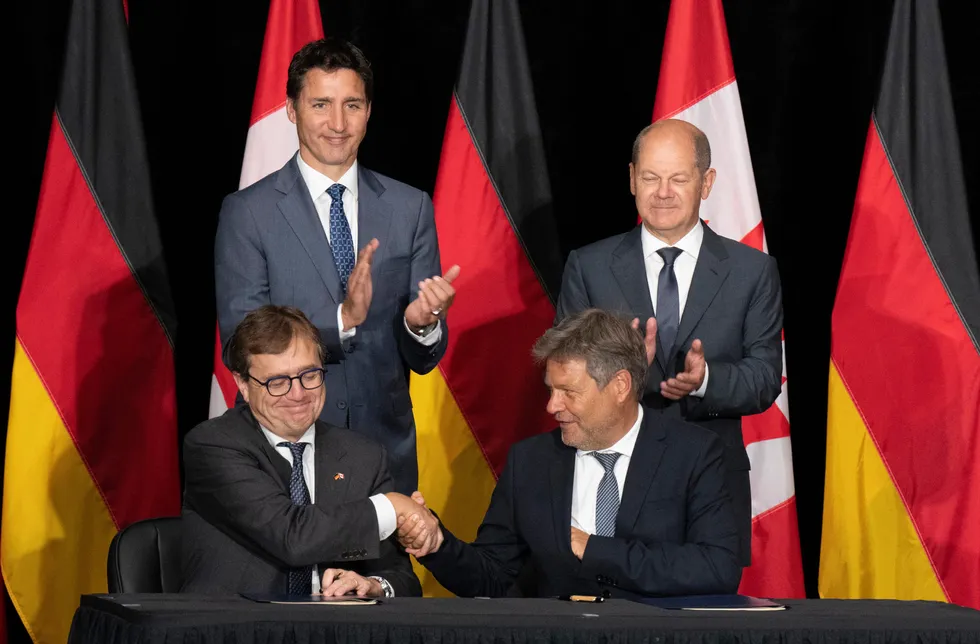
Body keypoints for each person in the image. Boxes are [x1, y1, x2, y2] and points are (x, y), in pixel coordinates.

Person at [214, 37, 459, 494]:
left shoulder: (411, 208)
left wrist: (421, 325)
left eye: (353, 104)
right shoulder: (248, 212)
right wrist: (340, 321)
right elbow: (240, 342)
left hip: (383, 457)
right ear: (292, 110)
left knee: (384, 571)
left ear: (369, 110)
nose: (338, 123)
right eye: (321, 104)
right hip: (284, 452)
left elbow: (423, 359)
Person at [554, 119, 783, 565]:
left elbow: (764, 376)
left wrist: (705, 380)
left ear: (707, 182)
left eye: (678, 178)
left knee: (705, 624)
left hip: (710, 485)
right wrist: (624, 370)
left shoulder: (752, 271)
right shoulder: (589, 266)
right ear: (632, 179)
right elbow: (566, 372)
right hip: (610, 481)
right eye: (650, 177)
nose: (663, 192)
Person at [396, 309, 741, 599]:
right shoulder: (530, 462)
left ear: (619, 386)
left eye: (568, 392)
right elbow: (494, 577)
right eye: (551, 389)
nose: (551, 406)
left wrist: (591, 548)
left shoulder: (693, 453)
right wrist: (438, 544)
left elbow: (717, 568)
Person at [181, 305, 434, 597]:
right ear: (244, 385)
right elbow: (293, 537)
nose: (298, 394)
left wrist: (373, 585)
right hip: (234, 631)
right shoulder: (213, 445)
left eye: (309, 375)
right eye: (277, 382)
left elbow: (402, 579)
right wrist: (392, 506)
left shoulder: (362, 456)